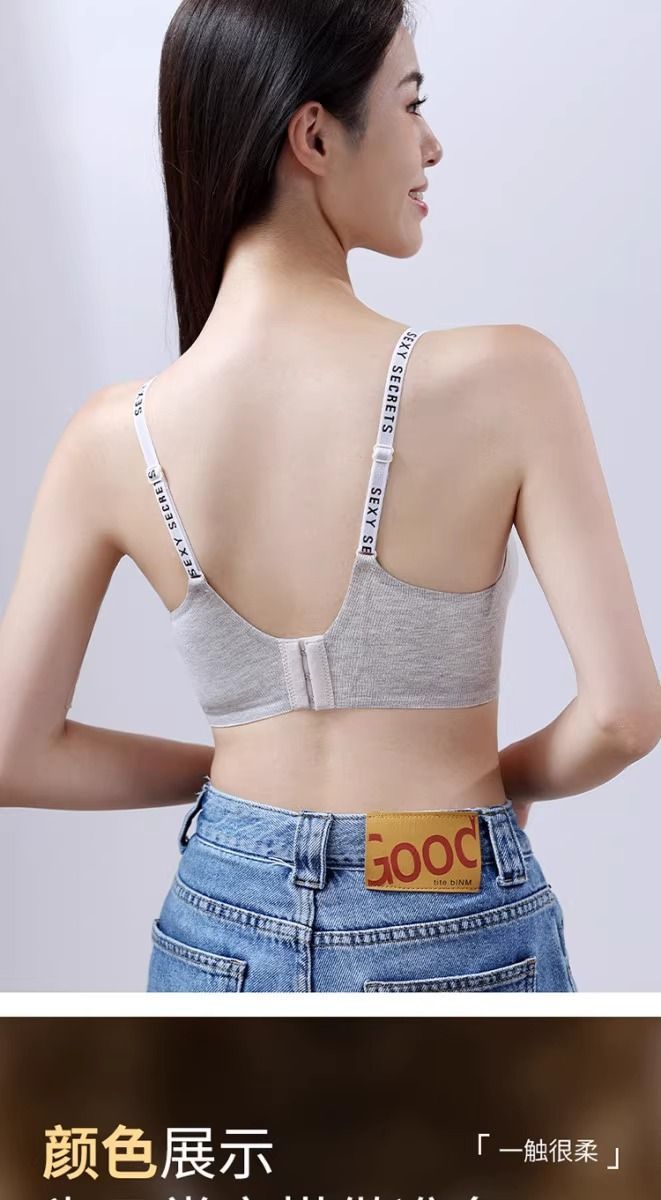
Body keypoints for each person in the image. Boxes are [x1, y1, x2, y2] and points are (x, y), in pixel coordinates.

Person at [1, 1, 659, 992]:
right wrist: (483, 794)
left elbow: (15, 753)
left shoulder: (111, 436)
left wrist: (239, 795)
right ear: (313, 136)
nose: (431, 145)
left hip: (217, 914)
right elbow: (622, 717)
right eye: (410, 103)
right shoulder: (506, 380)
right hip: (439, 881)